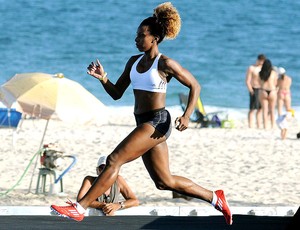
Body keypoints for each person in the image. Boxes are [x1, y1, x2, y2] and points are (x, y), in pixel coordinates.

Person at [51, 2, 232, 225]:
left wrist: (186, 115)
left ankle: (80, 207)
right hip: (143, 123)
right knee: (163, 182)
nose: (136, 40)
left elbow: (195, 86)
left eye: (141, 36)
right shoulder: (133, 62)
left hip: (158, 122)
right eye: (136, 36)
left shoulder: (165, 63)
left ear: (154, 37)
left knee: (114, 160)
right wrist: (103, 78)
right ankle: (215, 198)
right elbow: (117, 93)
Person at [245, 54, 266, 128]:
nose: (261, 63)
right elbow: (247, 80)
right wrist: (251, 90)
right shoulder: (252, 68)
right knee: (252, 108)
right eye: (260, 61)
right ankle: (250, 125)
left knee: (260, 108)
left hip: (262, 89)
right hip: (254, 88)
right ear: (258, 60)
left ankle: (259, 124)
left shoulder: (263, 68)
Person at [259, 59, 278, 129]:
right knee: (272, 110)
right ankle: (273, 125)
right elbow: (275, 83)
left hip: (263, 90)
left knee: (264, 110)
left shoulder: (260, 73)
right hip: (272, 91)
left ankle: (265, 126)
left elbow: (259, 83)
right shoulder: (273, 73)